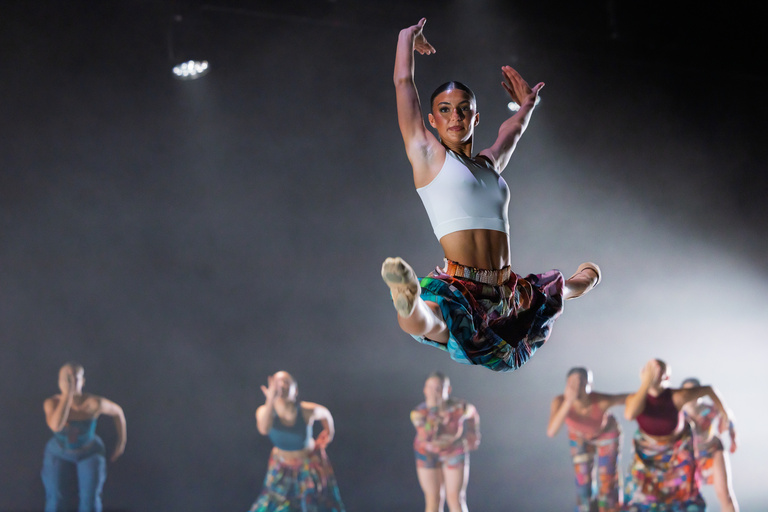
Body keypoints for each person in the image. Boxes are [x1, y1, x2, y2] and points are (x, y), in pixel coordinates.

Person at [381, 18, 601, 372]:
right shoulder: (428, 156)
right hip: (463, 286)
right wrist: (406, 38)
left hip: (505, 290)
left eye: (464, 109)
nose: (456, 116)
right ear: (432, 121)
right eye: (445, 110)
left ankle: (586, 279)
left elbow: (511, 132)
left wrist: (528, 106)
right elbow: (403, 82)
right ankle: (407, 300)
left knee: (561, 290)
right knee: (438, 322)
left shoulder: (488, 166)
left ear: (476, 117)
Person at [623, 359, 732, 512]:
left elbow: (708, 389)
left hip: (679, 459)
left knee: (688, 502)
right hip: (648, 460)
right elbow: (629, 414)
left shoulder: (679, 397)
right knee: (645, 503)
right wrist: (645, 383)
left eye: (658, 372)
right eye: (650, 371)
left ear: (666, 378)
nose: (653, 374)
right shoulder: (636, 399)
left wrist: (725, 413)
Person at [250, 371, 345, 512]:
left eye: (286, 382)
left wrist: (329, 432)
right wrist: (270, 401)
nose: (282, 385)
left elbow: (325, 413)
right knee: (274, 504)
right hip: (281, 466)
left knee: (312, 505)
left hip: (308, 465)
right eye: (278, 382)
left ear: (295, 391)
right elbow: (264, 429)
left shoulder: (306, 411)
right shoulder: (264, 411)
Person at [41, 362, 126, 512]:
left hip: (89, 451)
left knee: (90, 502)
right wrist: (67, 396)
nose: (71, 383)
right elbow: (56, 426)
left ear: (83, 381)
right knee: (55, 500)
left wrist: (121, 441)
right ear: (59, 382)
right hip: (58, 451)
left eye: (75, 379)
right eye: (67, 379)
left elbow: (118, 412)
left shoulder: (93, 403)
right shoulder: (51, 403)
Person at [546, 367, 628, 512]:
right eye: (572, 384)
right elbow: (552, 431)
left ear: (590, 386)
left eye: (582, 384)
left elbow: (625, 398)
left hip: (606, 434)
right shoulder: (560, 401)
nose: (577, 388)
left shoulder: (600, 400)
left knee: (608, 481)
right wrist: (568, 402)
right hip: (579, 436)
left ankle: (609, 508)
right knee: (583, 483)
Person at [411, 372, 480, 512]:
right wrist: (433, 413)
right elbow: (426, 436)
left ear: (447, 390)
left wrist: (473, 435)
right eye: (430, 388)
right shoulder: (418, 413)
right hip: (427, 452)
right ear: (424, 390)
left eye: (438, 388)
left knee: (456, 498)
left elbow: (473, 414)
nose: (433, 392)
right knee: (433, 499)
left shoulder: (459, 407)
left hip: (453, 450)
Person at [681, 377, 739, 512]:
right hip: (689, 455)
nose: (690, 395)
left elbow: (728, 417)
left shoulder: (708, 409)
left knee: (725, 494)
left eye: (694, 391)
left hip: (712, 450)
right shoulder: (679, 413)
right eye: (687, 391)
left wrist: (733, 438)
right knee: (685, 498)